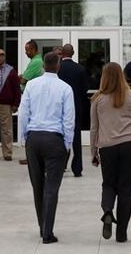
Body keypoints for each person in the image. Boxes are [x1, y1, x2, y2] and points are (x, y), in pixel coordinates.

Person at [18, 52, 75, 244]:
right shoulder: (65, 88)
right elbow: (69, 119)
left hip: (34, 138)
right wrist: (67, 144)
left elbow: (24, 112)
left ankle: (42, 226)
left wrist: (24, 137)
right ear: (58, 65)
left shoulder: (31, 85)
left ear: (43, 65)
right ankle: (47, 232)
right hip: (54, 139)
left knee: (37, 185)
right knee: (52, 188)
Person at [90, 62, 131, 243]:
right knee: (126, 188)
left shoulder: (98, 99)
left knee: (108, 184)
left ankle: (108, 211)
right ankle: (121, 232)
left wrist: (93, 151)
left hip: (107, 146)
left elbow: (94, 128)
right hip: (130, 145)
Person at [57, 44, 89, 177]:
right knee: (76, 137)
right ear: (73, 53)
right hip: (76, 107)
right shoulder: (80, 69)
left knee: (60, 136)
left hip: (59, 107)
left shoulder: (57, 68)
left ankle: (60, 166)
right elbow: (84, 90)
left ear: (62, 53)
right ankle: (77, 168)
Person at [18, 40, 45, 165]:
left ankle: (31, 157)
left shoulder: (36, 62)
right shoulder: (36, 61)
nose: (26, 52)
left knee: (30, 128)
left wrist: (18, 78)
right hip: (35, 98)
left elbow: (23, 80)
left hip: (32, 99)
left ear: (34, 50)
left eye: (27, 50)